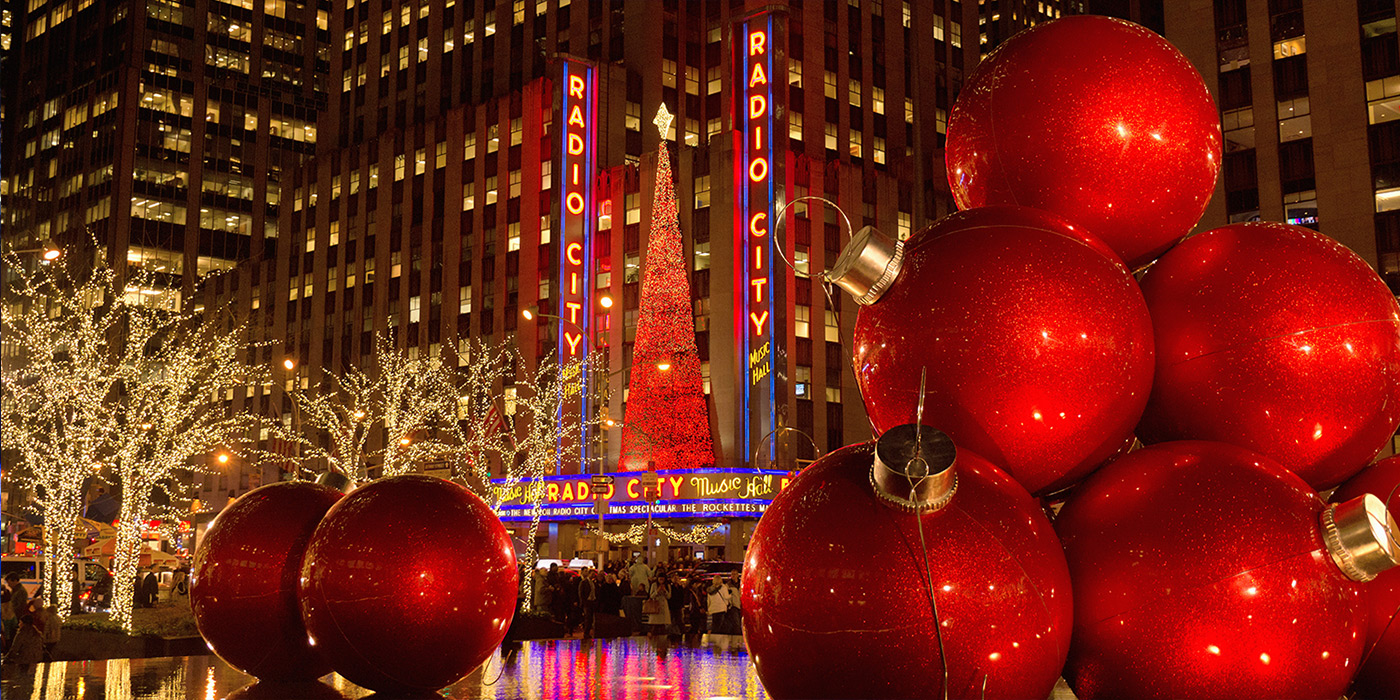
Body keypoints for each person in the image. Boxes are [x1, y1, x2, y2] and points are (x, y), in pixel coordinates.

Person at [579, 569, 598, 638]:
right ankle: (586, 632)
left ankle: (588, 632)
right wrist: (583, 602)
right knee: (588, 618)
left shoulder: (593, 582)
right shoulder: (584, 582)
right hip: (587, 602)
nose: (593, 575)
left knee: (591, 618)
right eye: (592, 574)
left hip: (592, 601)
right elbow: (581, 593)